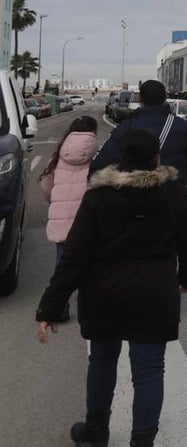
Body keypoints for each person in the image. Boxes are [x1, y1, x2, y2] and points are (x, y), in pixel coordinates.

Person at [36, 128, 187, 447]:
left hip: (103, 295)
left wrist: (50, 306)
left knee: (101, 359)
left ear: (120, 158)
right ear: (157, 157)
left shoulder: (98, 196)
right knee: (150, 369)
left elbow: (75, 256)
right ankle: (142, 441)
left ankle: (96, 430)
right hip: (155, 295)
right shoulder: (176, 193)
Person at [40, 116, 101, 321]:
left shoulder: (57, 156)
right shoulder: (99, 155)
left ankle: (59, 307)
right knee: (93, 264)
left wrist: (56, 201)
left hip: (62, 220)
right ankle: (92, 306)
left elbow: (46, 187)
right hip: (89, 219)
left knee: (62, 265)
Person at [90, 80, 187, 184]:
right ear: (165, 98)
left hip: (131, 195)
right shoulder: (183, 128)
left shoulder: (125, 128)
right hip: (173, 194)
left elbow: (99, 165)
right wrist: (180, 182)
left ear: (140, 99)